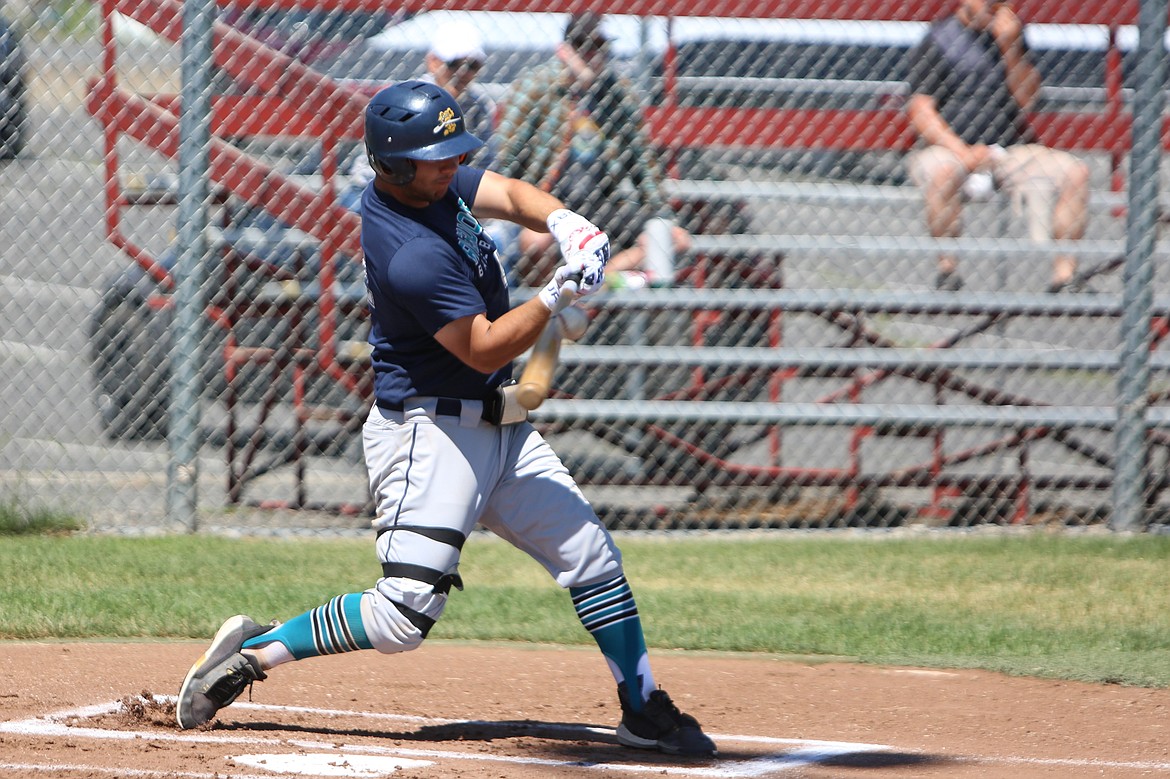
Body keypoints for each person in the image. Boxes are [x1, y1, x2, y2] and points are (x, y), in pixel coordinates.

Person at [175, 80, 718, 760]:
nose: (450, 165)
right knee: (403, 614)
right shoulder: (409, 251)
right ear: (394, 166)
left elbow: (515, 196)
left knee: (591, 556)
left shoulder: (431, 184)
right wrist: (553, 296)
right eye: (437, 157)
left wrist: (567, 225)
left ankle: (643, 707)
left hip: (499, 425)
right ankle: (258, 647)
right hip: (430, 436)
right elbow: (484, 343)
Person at [495, 11, 690, 288]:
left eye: (600, 46)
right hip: (550, 197)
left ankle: (594, 282)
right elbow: (508, 153)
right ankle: (547, 307)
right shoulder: (538, 86)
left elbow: (643, 162)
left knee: (673, 238)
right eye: (585, 46)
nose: (594, 55)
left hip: (601, 201)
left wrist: (663, 217)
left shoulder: (617, 94)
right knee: (535, 242)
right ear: (566, 49)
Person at [905, 0, 1090, 291]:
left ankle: (1065, 277)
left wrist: (1011, 49)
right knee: (942, 172)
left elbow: (1027, 99)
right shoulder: (939, 38)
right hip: (951, 149)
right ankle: (947, 272)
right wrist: (962, 152)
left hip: (1008, 149)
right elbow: (921, 110)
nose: (993, 7)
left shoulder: (1012, 37)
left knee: (1074, 172)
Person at [344, 18, 497, 198]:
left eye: (472, 65)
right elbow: (380, 164)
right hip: (377, 187)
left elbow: (486, 164)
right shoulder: (407, 98)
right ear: (433, 62)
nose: (463, 72)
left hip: (441, 193)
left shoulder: (479, 106)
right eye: (453, 63)